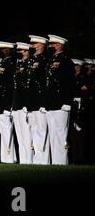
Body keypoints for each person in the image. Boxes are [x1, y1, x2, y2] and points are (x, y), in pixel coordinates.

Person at [45, 35, 74, 165]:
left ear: (61, 45)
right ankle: (55, 162)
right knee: (52, 134)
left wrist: (67, 102)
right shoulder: (51, 60)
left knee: (61, 134)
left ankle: (62, 162)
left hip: (61, 103)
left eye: (54, 44)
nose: (51, 46)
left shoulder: (66, 60)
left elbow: (69, 82)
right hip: (51, 102)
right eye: (51, 44)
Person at [26, 35, 50, 165]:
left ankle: (43, 159)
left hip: (40, 100)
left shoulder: (45, 60)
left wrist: (43, 102)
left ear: (42, 45)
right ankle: (37, 158)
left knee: (41, 130)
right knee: (34, 129)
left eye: (35, 43)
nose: (33, 46)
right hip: (32, 100)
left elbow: (44, 83)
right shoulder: (32, 60)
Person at [0, 41, 17, 163]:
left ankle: (9, 157)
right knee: (3, 131)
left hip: (6, 102)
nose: (1, 51)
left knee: (7, 130)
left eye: (4, 49)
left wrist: (9, 105)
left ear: (9, 50)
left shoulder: (12, 63)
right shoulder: (2, 63)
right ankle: (5, 157)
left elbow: (10, 86)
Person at [12, 42, 33, 164]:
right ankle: (23, 159)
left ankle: (28, 159)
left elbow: (28, 87)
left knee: (26, 133)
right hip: (16, 103)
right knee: (20, 134)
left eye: (22, 50)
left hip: (24, 103)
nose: (19, 52)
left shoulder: (29, 65)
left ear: (26, 52)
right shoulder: (18, 64)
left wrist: (26, 103)